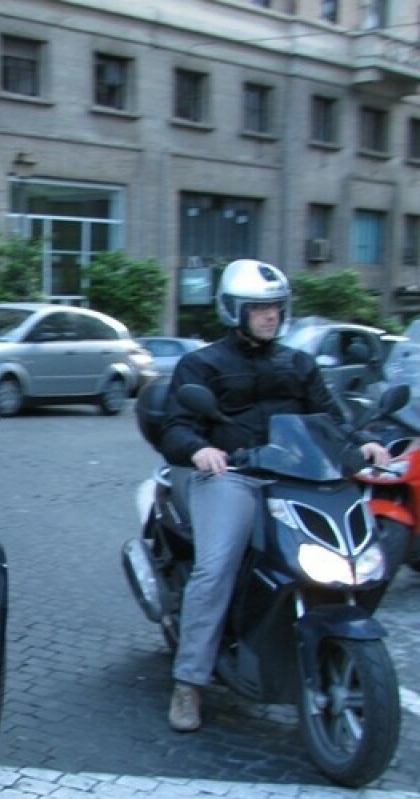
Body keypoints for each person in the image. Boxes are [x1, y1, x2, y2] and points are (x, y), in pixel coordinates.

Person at [158, 259, 391, 732]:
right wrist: (200, 449)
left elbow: (328, 417)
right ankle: (189, 684)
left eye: (277, 308)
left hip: (297, 477)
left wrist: (359, 441)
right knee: (215, 567)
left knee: (362, 551)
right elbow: (176, 426)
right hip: (234, 475)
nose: (271, 317)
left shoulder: (298, 364)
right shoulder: (201, 365)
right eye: (259, 309)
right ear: (233, 310)